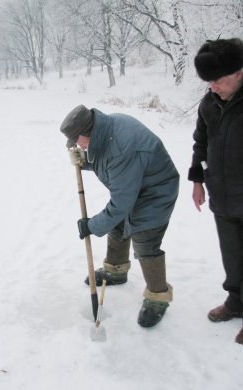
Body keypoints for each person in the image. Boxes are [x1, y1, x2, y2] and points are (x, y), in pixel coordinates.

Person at [60, 105, 179, 328]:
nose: (78, 146)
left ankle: (157, 297)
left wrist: (91, 226)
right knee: (117, 224)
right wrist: (85, 161)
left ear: (87, 133)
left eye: (78, 142)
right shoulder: (106, 130)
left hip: (156, 191)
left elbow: (120, 203)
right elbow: (108, 161)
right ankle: (116, 270)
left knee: (145, 240)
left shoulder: (122, 145)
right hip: (136, 184)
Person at [188, 38, 243, 345]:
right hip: (222, 196)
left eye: (219, 81)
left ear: (239, 73)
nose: (213, 87)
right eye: (209, 82)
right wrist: (198, 180)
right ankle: (236, 302)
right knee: (232, 257)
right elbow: (201, 141)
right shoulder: (209, 102)